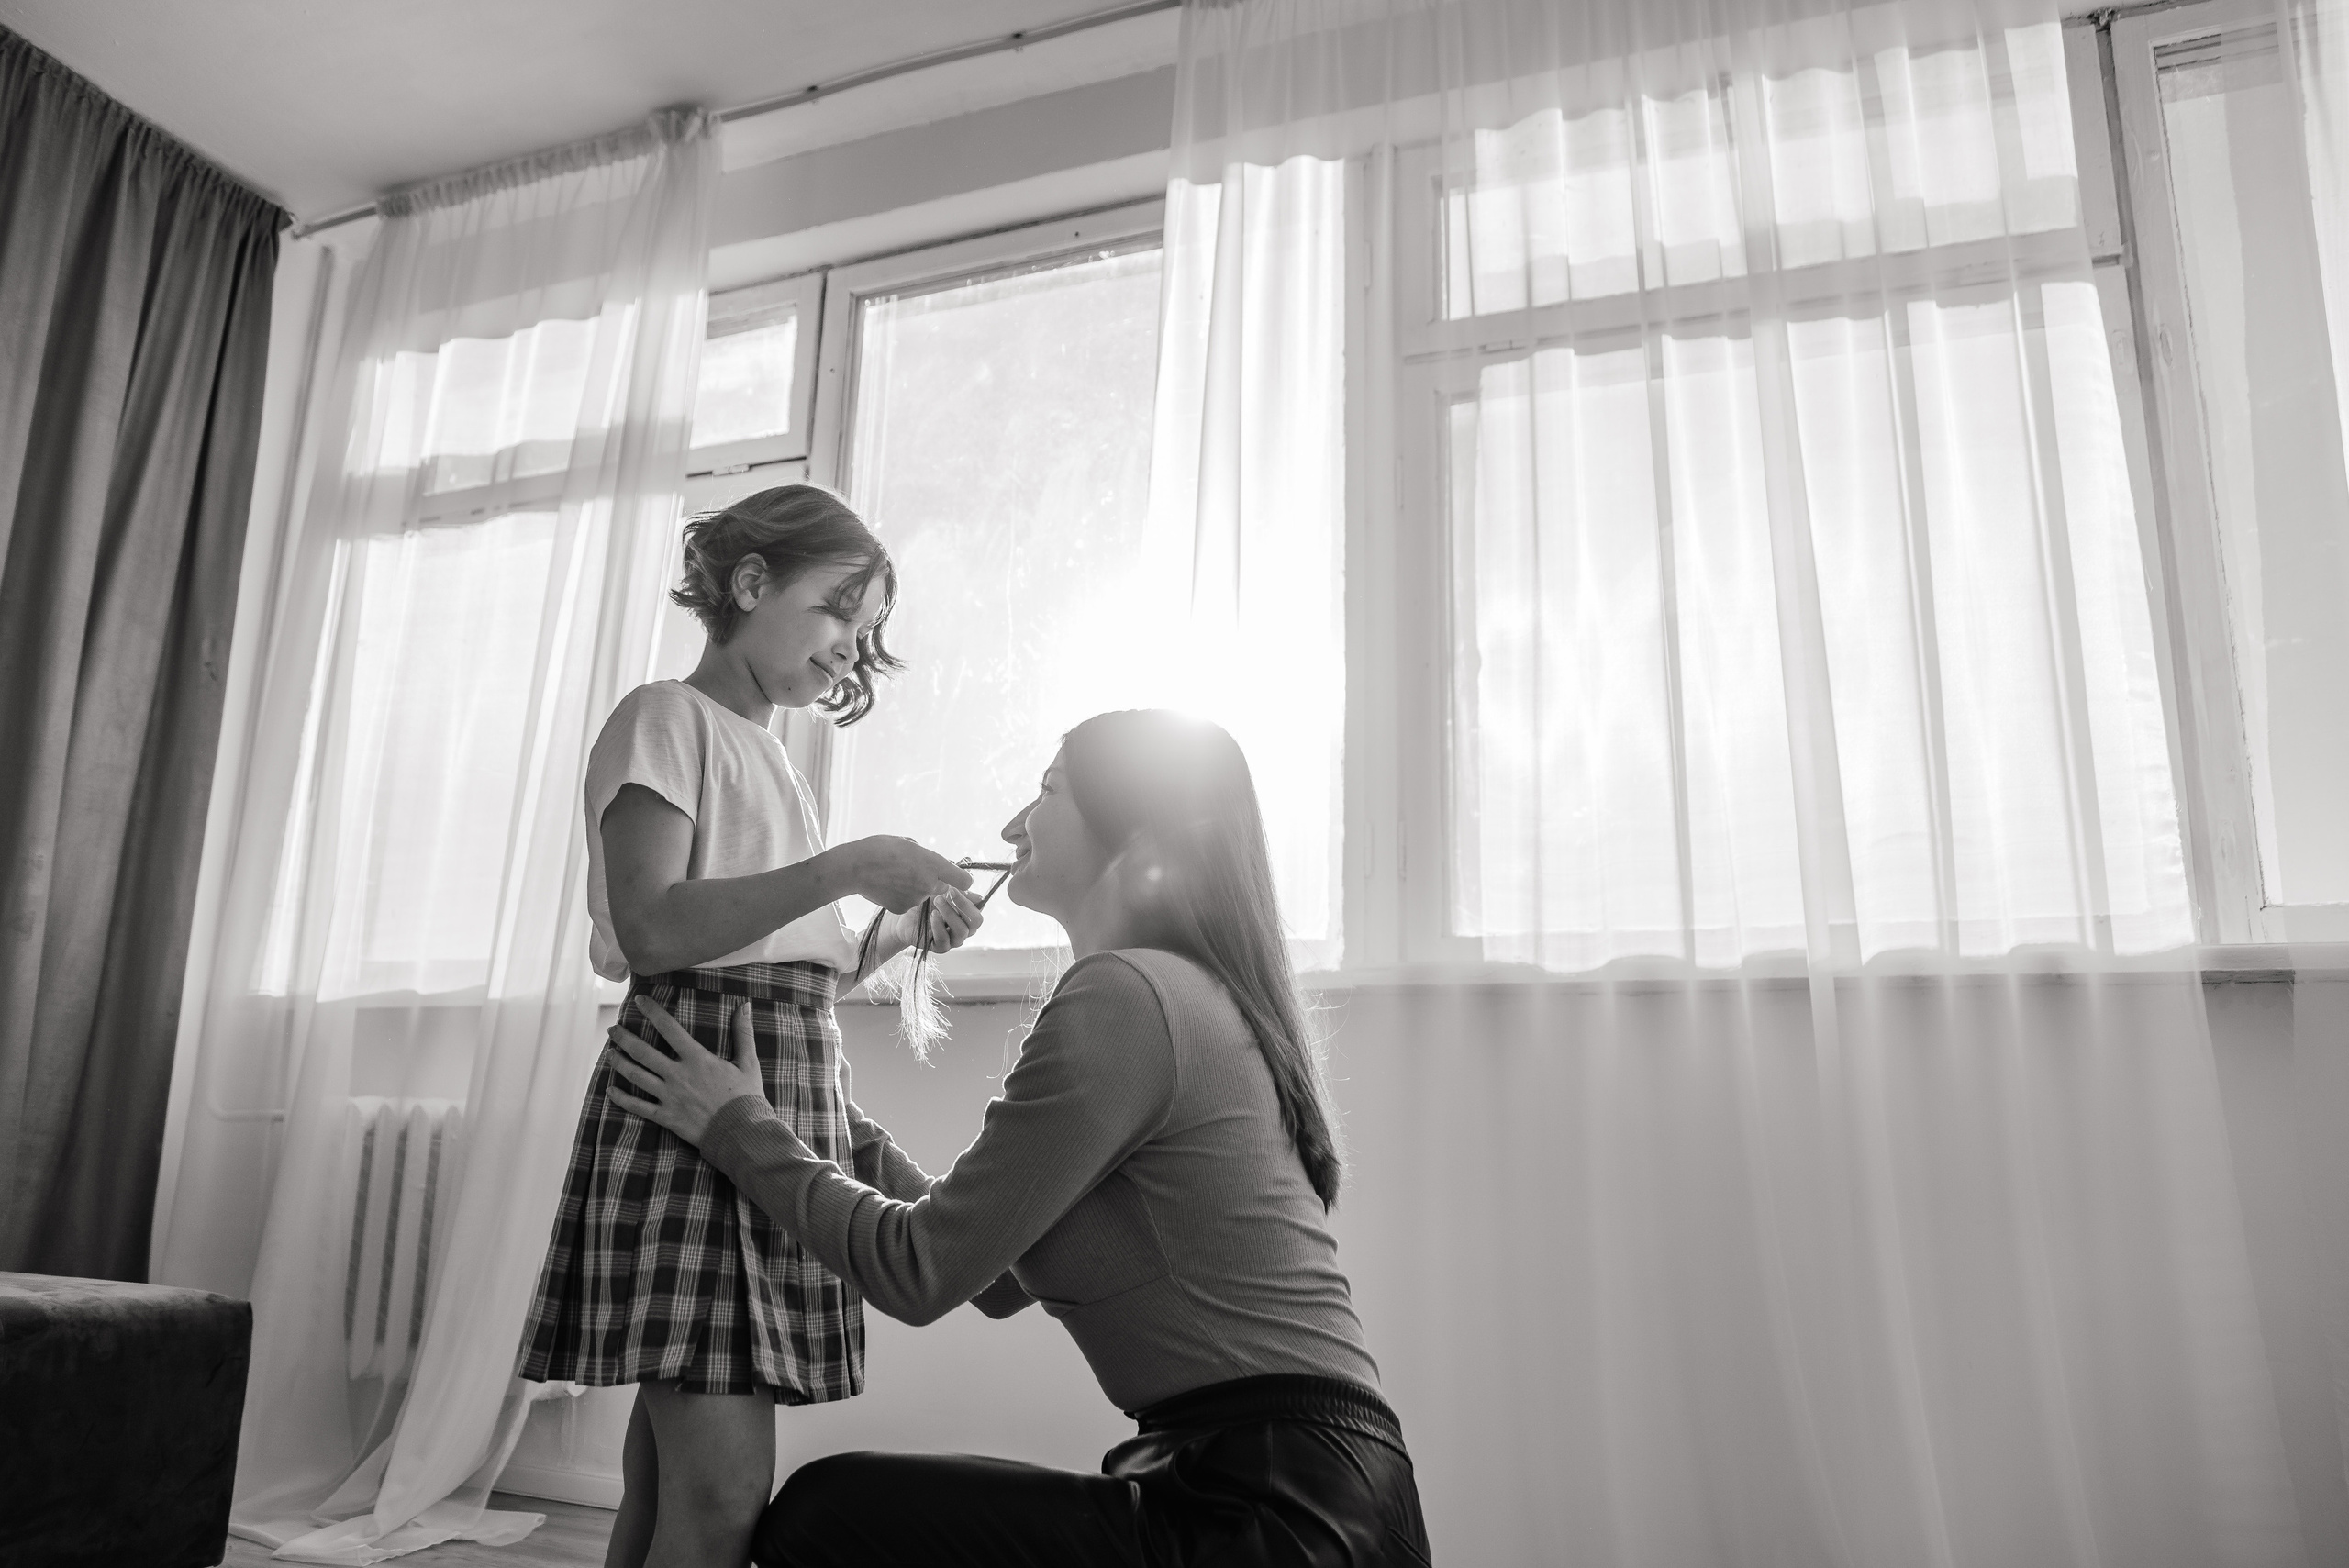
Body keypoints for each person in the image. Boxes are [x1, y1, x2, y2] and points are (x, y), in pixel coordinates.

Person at [605, 708, 1434, 1567]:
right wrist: (821, 1113)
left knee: (826, 1519)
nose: (1010, 825)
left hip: (1275, 1514)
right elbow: (995, 1278)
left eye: (1047, 789)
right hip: (1322, 1501)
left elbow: (918, 1268)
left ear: (1134, 827)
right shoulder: (1172, 993)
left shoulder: (1127, 997)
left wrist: (737, 1125)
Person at [516, 484, 986, 1568]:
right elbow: (650, 925)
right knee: (720, 1492)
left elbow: (783, 956)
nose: (846, 653)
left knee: (671, 1477)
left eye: (863, 635)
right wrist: (844, 866)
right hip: (699, 1104)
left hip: (759, 1098)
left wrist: (899, 926)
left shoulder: (767, 753)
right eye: (834, 615)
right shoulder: (665, 718)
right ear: (749, 583)